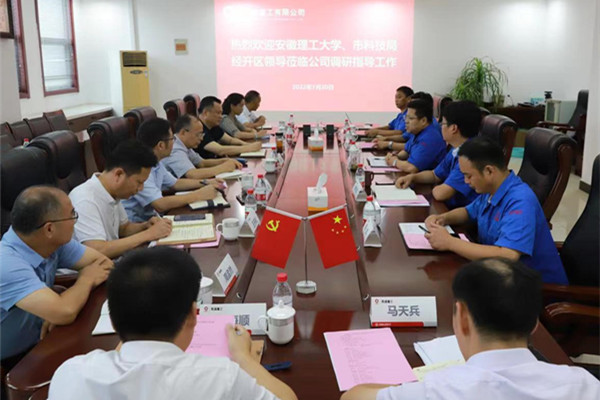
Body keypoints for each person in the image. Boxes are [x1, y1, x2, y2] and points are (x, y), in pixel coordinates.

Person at [48, 247, 298, 400]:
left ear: (112, 320)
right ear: (193, 314)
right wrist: (243, 358)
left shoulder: (71, 374)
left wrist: (132, 328)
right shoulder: (220, 377)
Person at [342, 258, 599, 400]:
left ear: (462, 317)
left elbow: (352, 397)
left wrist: (409, 386)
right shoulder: (584, 384)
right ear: (533, 323)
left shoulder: (438, 391)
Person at [424, 137, 568, 284]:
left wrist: (450, 243)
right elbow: (468, 212)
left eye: (469, 176)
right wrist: (443, 218)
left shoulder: (520, 200)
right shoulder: (491, 189)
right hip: (498, 276)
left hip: (533, 288)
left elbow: (507, 255)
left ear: (489, 171)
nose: (466, 181)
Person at [1, 186, 113, 370]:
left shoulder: (54, 242)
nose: (75, 222)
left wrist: (57, 304)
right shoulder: (6, 263)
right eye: (72, 215)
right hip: (13, 361)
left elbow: (104, 264)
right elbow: (65, 312)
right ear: (49, 228)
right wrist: (85, 280)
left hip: (44, 340)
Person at [69, 140, 173, 259]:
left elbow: (123, 229)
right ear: (119, 174)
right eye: (139, 182)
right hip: (94, 268)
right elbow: (97, 249)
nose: (141, 189)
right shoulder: (85, 200)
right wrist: (148, 234)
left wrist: (145, 226)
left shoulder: (113, 193)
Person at [122, 118, 220, 222]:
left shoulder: (156, 161)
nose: (174, 142)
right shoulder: (140, 168)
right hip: (138, 225)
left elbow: (175, 183)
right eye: (172, 139)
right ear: (161, 145)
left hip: (154, 220)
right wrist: (198, 195)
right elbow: (160, 204)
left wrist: (207, 182)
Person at [395, 101, 480, 209]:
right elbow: (435, 175)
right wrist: (413, 177)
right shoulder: (455, 149)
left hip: (462, 214)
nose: (440, 127)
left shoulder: (470, 156)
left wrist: (435, 188)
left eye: (443, 124)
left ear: (453, 128)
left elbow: (441, 194)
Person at [162, 114, 242, 180]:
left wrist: (225, 160)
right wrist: (223, 168)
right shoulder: (175, 149)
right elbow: (192, 175)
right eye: (198, 134)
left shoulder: (184, 145)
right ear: (183, 132)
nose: (201, 138)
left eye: (202, 134)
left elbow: (202, 163)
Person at [384, 99, 447, 173]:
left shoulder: (430, 138)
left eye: (410, 118)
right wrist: (393, 156)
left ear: (423, 121)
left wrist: (395, 162)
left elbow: (412, 168)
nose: (406, 121)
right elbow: (406, 151)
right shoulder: (417, 132)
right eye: (406, 117)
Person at [196, 96, 262, 159]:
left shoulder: (213, 125)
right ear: (206, 113)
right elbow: (220, 150)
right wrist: (248, 148)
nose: (221, 116)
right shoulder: (198, 129)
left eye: (221, 113)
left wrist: (247, 144)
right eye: (218, 113)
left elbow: (230, 140)